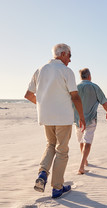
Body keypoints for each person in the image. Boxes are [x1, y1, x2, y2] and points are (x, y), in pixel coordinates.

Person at [24, 43, 86, 198]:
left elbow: (28, 95)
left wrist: (44, 105)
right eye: (70, 56)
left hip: (46, 116)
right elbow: (75, 96)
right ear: (63, 53)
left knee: (50, 145)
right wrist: (82, 117)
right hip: (63, 117)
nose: (70, 60)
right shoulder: (66, 71)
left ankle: (43, 173)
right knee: (62, 150)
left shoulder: (40, 70)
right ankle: (57, 187)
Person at [74, 68, 107, 175]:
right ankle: (81, 165)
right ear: (89, 76)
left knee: (81, 140)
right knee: (87, 141)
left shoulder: (75, 87)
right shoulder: (95, 87)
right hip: (90, 119)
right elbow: (103, 101)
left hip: (77, 119)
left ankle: (84, 161)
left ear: (81, 77)